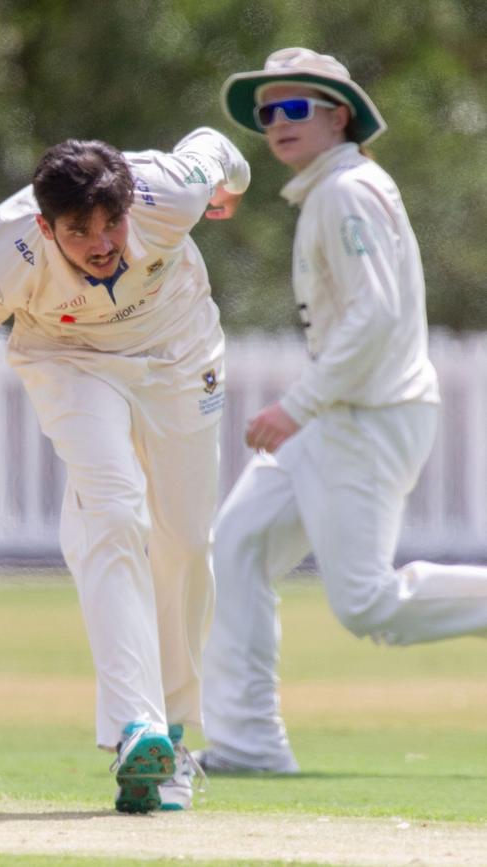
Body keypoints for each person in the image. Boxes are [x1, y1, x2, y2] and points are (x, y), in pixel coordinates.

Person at [0, 127, 250, 811]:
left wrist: (234, 184)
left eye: (112, 223)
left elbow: (216, 144)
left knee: (185, 542)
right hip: (69, 358)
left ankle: (177, 739)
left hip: (181, 352)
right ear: (45, 225)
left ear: (131, 202)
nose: (102, 243)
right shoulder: (5, 247)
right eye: (78, 231)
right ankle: (142, 730)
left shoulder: (168, 187)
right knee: (115, 510)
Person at [196, 47, 487, 775]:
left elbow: (377, 316)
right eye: (269, 112)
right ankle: (248, 743)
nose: (278, 123)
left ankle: (249, 741)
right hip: (348, 411)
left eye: (295, 108)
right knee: (236, 544)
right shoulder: (333, 189)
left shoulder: (346, 192)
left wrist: (298, 405)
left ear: (338, 115)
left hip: (367, 412)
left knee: (366, 604)